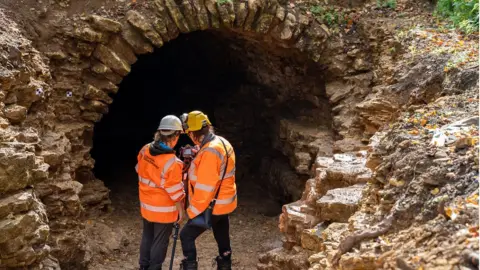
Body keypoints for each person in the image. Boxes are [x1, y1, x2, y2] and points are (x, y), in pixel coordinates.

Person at [179, 111, 237, 270]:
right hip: (224, 203)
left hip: (212, 205)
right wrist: (197, 155)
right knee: (222, 235)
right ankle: (225, 264)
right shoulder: (221, 142)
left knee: (186, 235)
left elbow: (205, 188)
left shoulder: (209, 152)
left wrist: (191, 212)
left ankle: (190, 266)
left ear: (193, 132)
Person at [136, 115, 186, 270]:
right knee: (160, 241)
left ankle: (144, 266)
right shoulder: (173, 162)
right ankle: (155, 267)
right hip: (164, 210)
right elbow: (175, 191)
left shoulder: (145, 149)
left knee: (147, 236)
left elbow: (139, 170)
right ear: (175, 136)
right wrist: (181, 211)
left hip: (146, 204)